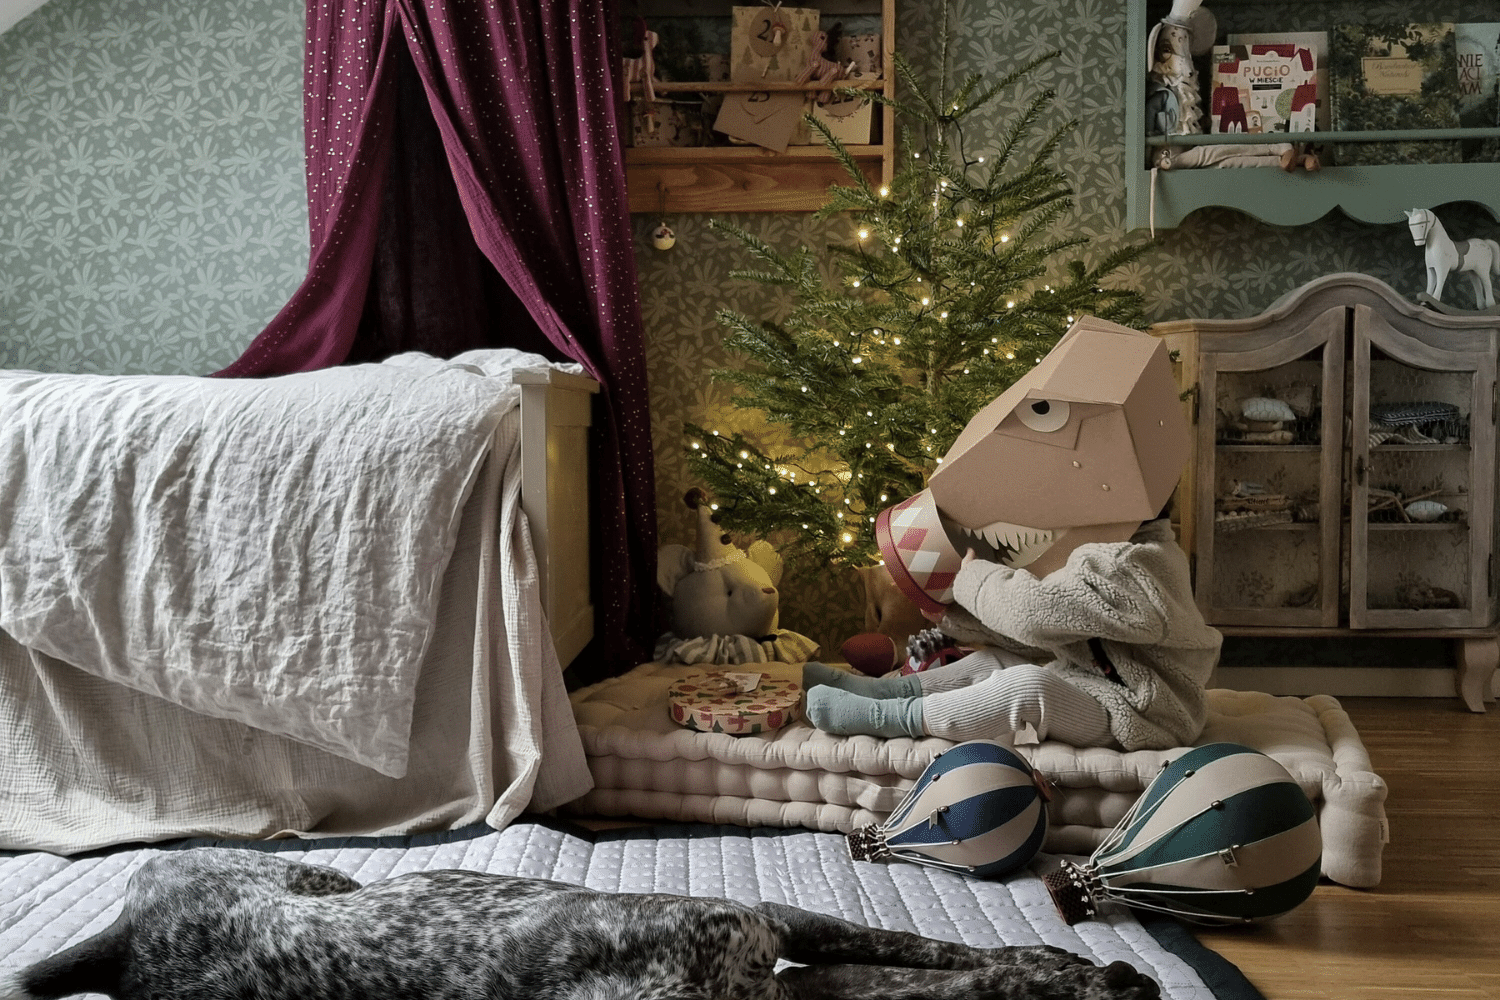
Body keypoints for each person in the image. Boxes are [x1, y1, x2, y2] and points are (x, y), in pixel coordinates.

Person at [802, 511, 1222, 752]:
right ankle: (884, 691)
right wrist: (956, 621)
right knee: (990, 661)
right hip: (1097, 683)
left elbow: (1034, 614)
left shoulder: (1136, 565)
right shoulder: (1102, 550)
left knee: (1026, 686)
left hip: (1140, 713)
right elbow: (1046, 634)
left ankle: (888, 718)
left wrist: (975, 582)